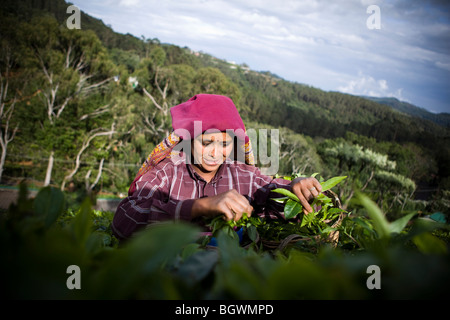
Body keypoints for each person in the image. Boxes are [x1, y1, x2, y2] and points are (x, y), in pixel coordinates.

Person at [111, 94, 322, 241]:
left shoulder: (244, 176)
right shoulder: (167, 172)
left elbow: (276, 197)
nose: (215, 153)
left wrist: (299, 191)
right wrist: (201, 207)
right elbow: (125, 219)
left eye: (225, 144)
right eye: (205, 143)